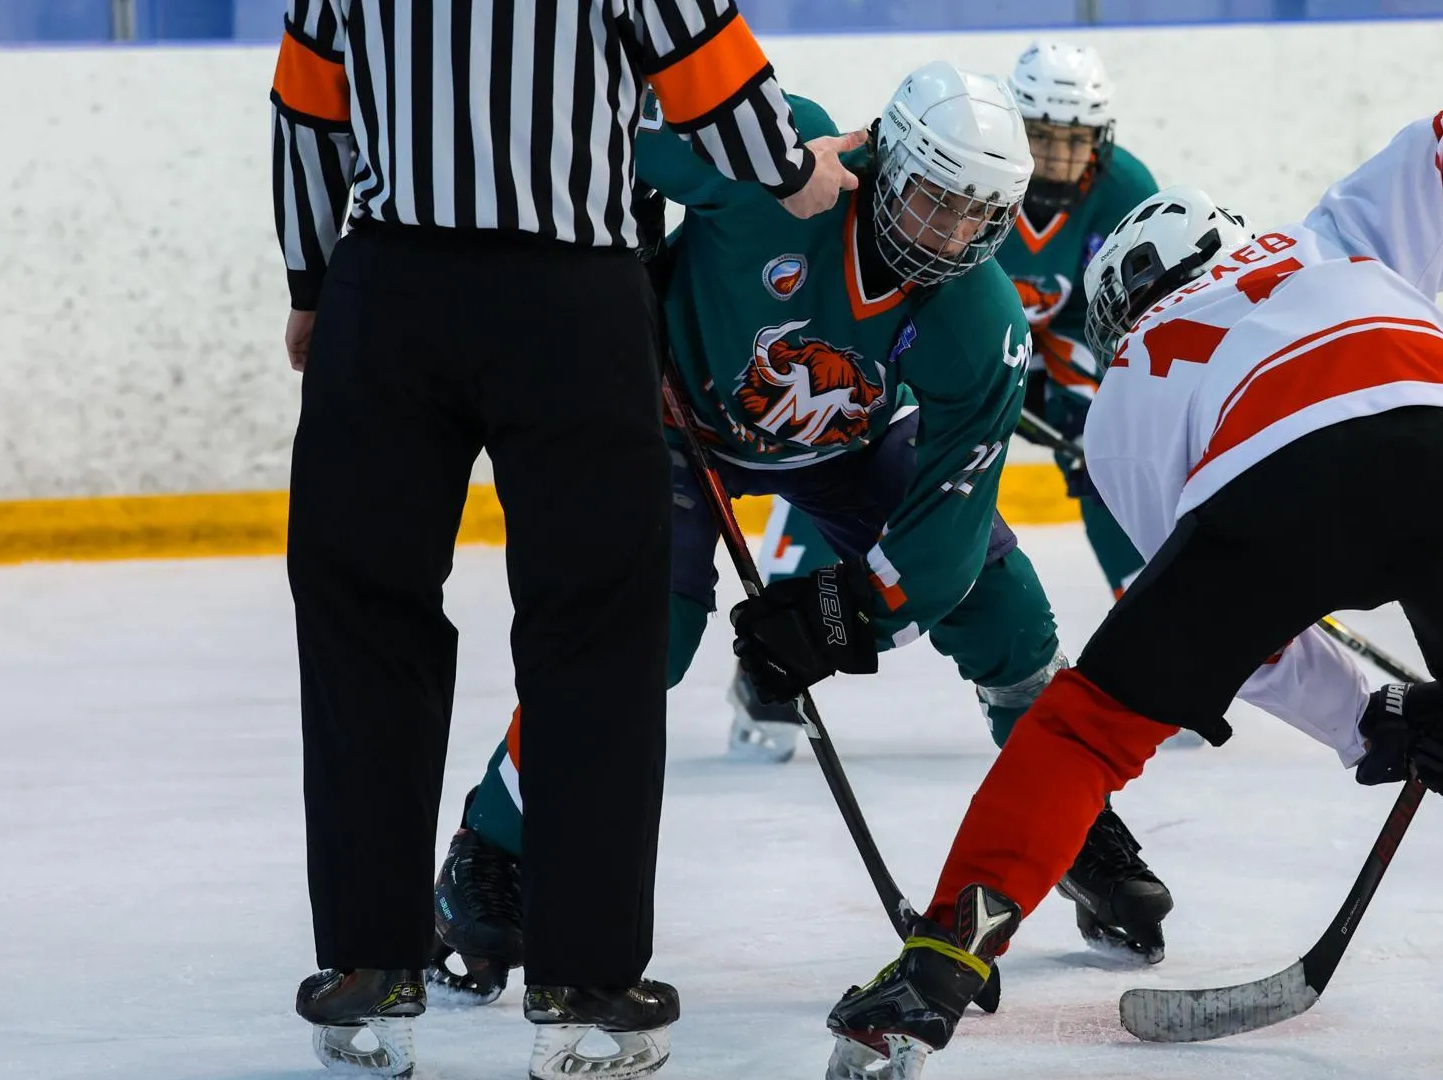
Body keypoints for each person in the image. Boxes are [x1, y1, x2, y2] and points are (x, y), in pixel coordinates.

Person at [824, 110, 1443, 1077]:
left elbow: (1240, 634)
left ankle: (942, 963)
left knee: (1088, 729)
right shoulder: (1330, 240)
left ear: (1121, 311)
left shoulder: (1125, 391)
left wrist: (1367, 720)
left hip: (1274, 488)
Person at [430, 61, 1177, 1011]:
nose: (949, 237)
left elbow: (947, 527)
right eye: (935, 201)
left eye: (977, 217)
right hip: (669, 422)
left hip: (844, 445)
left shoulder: (981, 319)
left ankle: (1070, 823)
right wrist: (607, 251)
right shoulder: (783, 159)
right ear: (886, 158)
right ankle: (491, 848)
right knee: (640, 633)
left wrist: (846, 613)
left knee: (1007, 609)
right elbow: (601, 134)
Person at [271, 0, 855, 1076]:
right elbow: (704, 64)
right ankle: (585, 983)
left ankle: (368, 967)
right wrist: (792, 171)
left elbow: (309, 109)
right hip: (570, 297)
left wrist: (311, 281)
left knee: (363, 613)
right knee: (596, 627)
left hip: (389, 292)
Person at [724, 41, 1164, 768]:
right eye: (1045, 136)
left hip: (1032, 356)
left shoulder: (1122, 192)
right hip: (907, 361)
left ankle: (1153, 646)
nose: (1059, 157)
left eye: (1076, 139)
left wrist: (1088, 403)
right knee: (839, 452)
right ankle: (773, 660)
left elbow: (1108, 313)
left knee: (1103, 471)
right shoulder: (960, 182)